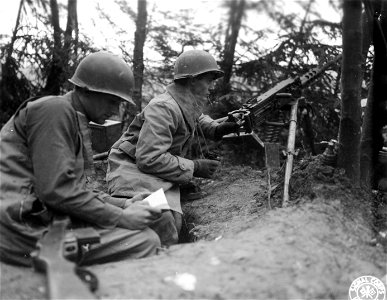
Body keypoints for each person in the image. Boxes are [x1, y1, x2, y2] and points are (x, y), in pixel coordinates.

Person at [0, 51, 162, 267]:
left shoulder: (69, 116)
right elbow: (56, 190)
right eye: (111, 101)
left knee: (145, 234)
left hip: (36, 220)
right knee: (145, 241)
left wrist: (123, 204)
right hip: (21, 230)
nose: (114, 111)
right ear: (86, 90)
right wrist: (121, 217)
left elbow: (73, 188)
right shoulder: (55, 110)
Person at [107, 49, 240, 245]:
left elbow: (197, 117)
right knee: (163, 222)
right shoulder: (163, 108)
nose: (210, 88)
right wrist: (195, 167)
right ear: (193, 80)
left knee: (172, 221)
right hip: (131, 168)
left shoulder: (184, 102)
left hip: (154, 169)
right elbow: (148, 158)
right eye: (208, 81)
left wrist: (217, 129)